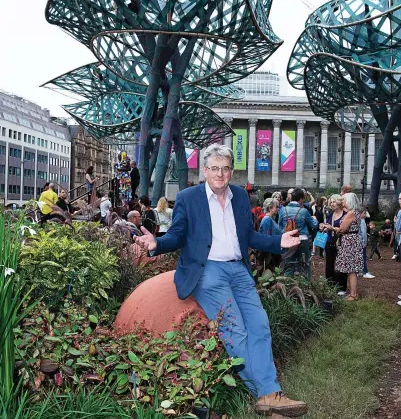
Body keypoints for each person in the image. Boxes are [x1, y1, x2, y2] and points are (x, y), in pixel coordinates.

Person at [134, 143, 306, 416]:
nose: (220, 174)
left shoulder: (239, 196)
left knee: (260, 325)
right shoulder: (189, 197)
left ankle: (266, 396)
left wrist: (278, 241)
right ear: (205, 171)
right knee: (234, 330)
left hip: (238, 270)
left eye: (226, 169)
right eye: (214, 168)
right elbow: (177, 235)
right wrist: (156, 244)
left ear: (231, 172)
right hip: (208, 271)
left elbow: (248, 236)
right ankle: (269, 393)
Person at [278, 188, 318, 279]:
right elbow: (313, 225)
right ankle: (305, 288)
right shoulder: (303, 211)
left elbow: (279, 226)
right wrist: (315, 219)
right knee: (304, 264)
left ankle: (288, 286)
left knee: (288, 265)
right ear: (301, 199)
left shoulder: (283, 210)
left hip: (287, 240)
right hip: (302, 239)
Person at [331, 192, 364, 301]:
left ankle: (353, 294)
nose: (342, 201)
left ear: (349, 201)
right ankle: (352, 293)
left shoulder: (351, 213)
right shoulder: (355, 212)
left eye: (343, 199)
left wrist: (331, 228)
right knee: (351, 268)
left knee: (351, 269)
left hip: (349, 241)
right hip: (352, 240)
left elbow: (342, 229)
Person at [321, 195, 348, 295]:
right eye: (330, 202)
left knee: (340, 264)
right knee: (329, 265)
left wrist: (332, 228)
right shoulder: (331, 215)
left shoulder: (345, 215)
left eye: (334, 202)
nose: (332, 204)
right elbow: (327, 225)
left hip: (340, 242)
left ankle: (341, 287)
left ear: (339, 202)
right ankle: (330, 285)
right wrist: (323, 226)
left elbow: (344, 229)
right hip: (329, 242)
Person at [359, 207, 374, 278]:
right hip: (361, 242)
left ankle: (359, 271)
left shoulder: (360, 220)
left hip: (359, 242)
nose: (365, 214)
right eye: (364, 213)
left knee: (359, 257)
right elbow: (363, 233)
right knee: (363, 257)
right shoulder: (361, 221)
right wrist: (364, 242)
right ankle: (365, 272)